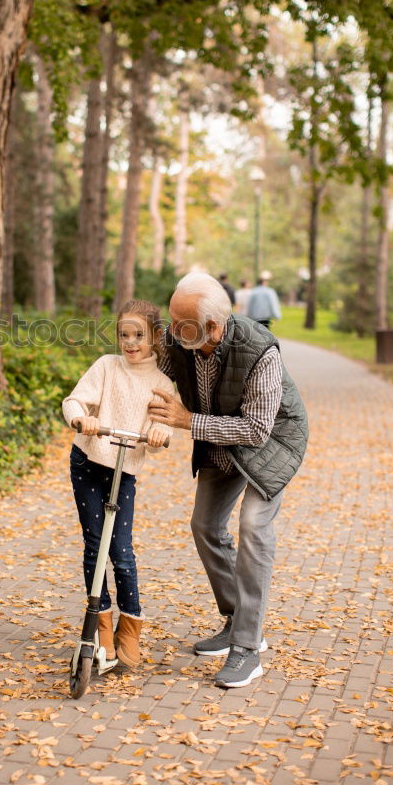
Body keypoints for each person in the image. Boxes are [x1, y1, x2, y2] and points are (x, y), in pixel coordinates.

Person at [148, 273, 308, 688]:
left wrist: (188, 421)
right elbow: (148, 374)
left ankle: (248, 648)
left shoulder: (260, 352)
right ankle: (238, 620)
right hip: (220, 438)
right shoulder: (178, 340)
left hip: (271, 443)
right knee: (204, 525)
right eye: (171, 319)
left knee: (254, 526)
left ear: (214, 327)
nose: (170, 330)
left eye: (180, 323)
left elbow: (256, 430)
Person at [62, 299, 175, 669]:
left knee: (122, 553)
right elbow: (74, 400)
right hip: (88, 462)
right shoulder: (106, 367)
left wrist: (158, 433)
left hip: (123, 470)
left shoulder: (161, 381)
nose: (130, 343)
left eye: (138, 335)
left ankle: (131, 625)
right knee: (95, 545)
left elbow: (160, 422)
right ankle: (102, 626)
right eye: (124, 335)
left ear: (155, 336)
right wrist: (83, 419)